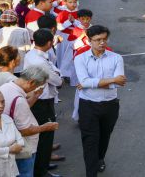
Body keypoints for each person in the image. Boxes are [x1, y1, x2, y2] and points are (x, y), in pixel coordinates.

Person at [73, 25, 125, 176]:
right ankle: (91, 173)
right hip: (88, 105)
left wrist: (91, 83)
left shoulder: (116, 58)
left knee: (104, 136)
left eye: (104, 39)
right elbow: (83, 81)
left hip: (110, 105)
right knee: (90, 140)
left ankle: (100, 158)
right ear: (89, 41)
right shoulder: (80, 58)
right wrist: (110, 81)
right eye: (97, 40)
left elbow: (118, 82)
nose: (102, 43)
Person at [0, 67, 57, 177]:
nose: (36, 88)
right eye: (37, 86)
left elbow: (17, 109)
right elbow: (25, 131)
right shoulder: (19, 100)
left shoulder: (6, 87)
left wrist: (35, 96)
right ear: (31, 82)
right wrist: (46, 127)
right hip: (22, 147)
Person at [22, 29, 62, 177]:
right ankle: (41, 170)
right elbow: (56, 79)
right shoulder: (39, 60)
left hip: (38, 99)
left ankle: (42, 165)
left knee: (41, 137)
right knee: (45, 136)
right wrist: (59, 78)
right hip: (42, 101)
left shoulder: (31, 54)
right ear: (49, 43)